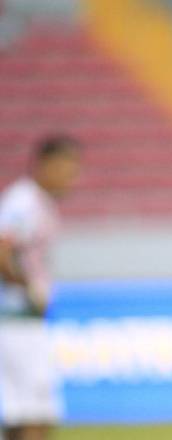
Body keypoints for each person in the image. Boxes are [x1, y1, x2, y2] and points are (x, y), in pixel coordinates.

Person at [0, 135, 81, 440]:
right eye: (66, 168)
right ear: (45, 164)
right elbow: (2, 249)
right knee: (37, 414)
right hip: (17, 322)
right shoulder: (25, 202)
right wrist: (29, 290)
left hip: (18, 323)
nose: (71, 178)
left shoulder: (36, 202)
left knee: (19, 415)